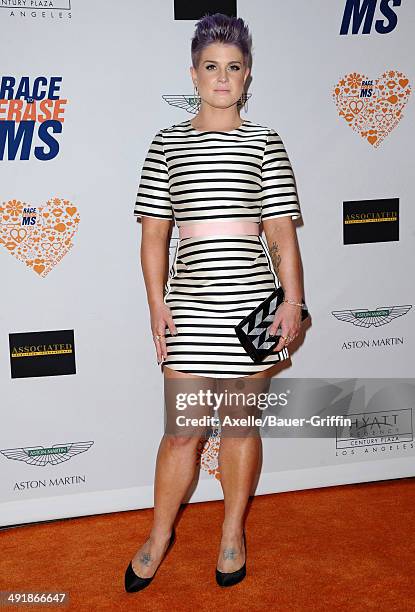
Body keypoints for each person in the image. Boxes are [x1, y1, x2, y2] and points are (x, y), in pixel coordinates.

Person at [125, 13, 306, 592]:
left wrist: (292, 302)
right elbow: (155, 234)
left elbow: (281, 234)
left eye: (233, 68)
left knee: (238, 427)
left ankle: (233, 532)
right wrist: (157, 304)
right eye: (212, 68)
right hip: (191, 306)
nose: (222, 78)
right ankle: (160, 535)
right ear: (194, 74)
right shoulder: (166, 144)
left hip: (252, 303)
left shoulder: (266, 143)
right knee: (182, 430)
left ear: (247, 75)